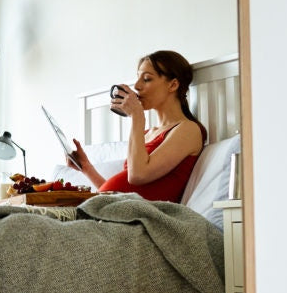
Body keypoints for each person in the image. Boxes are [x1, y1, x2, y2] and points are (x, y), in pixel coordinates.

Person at [67, 50, 207, 203]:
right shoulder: (146, 134)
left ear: (173, 85)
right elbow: (119, 194)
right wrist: (86, 167)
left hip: (139, 217)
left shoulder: (188, 129)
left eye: (147, 79)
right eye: (138, 78)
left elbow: (137, 175)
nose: (137, 86)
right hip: (114, 208)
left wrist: (137, 116)